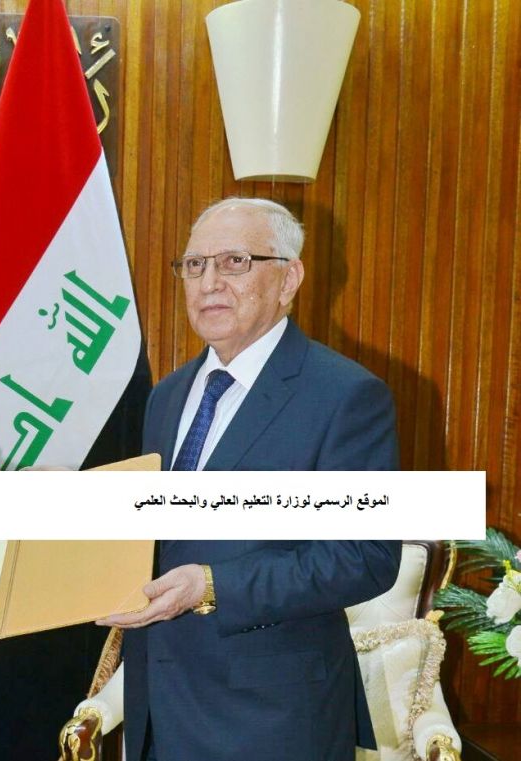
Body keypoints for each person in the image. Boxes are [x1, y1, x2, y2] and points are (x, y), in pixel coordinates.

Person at [98, 198, 402, 761]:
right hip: (160, 707)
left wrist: (214, 586)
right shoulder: (167, 396)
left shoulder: (345, 396)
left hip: (272, 718)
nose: (209, 282)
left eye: (234, 262)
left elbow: (365, 557)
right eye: (194, 265)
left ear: (289, 278)